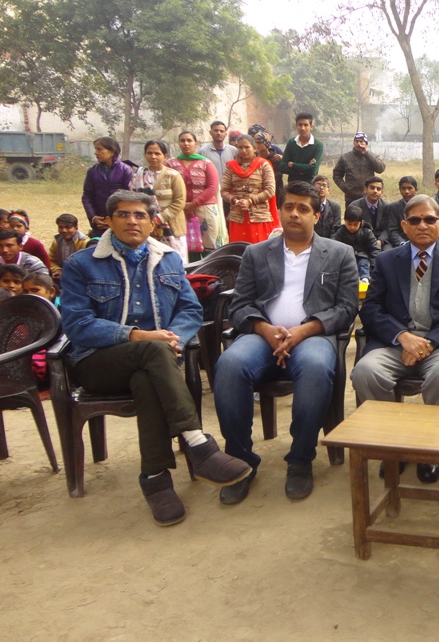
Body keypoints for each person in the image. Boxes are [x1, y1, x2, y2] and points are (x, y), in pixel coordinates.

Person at [60, 190, 252, 525]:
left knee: (146, 378)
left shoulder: (168, 259)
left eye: (140, 215)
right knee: (153, 351)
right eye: (123, 214)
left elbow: (190, 310)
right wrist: (137, 335)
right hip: (98, 361)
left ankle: (155, 479)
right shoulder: (82, 264)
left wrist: (173, 337)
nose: (132, 221)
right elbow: (78, 325)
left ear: (152, 222)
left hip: (155, 362)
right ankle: (198, 445)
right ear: (108, 221)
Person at [213, 181, 359, 504]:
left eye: (303, 208)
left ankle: (300, 459)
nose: (295, 213)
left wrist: (303, 331)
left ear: (316, 215)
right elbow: (240, 305)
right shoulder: (256, 253)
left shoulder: (339, 254)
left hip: (312, 337)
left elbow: (347, 308)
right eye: (289, 207)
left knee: (316, 367)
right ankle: (240, 460)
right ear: (280, 211)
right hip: (262, 337)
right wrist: (265, 329)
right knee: (230, 364)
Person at [351, 194, 439, 484]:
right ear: (404, 226)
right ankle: (394, 447)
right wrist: (402, 337)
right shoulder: (386, 260)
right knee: (365, 372)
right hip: (394, 343)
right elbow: (371, 309)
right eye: (415, 220)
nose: (422, 225)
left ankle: (429, 449)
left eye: (430, 219)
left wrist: (430, 342)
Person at [166, 130, 226, 255]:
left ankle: (211, 267)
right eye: (182, 141)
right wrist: (182, 205)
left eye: (189, 140)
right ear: (178, 143)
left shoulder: (206, 163)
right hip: (179, 210)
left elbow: (212, 187)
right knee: (183, 244)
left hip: (205, 210)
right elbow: (167, 186)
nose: (186, 143)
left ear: (196, 144)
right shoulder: (171, 164)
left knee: (209, 244)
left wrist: (193, 204)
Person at [130, 140, 188, 262]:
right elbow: (133, 198)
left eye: (157, 153)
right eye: (149, 153)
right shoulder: (138, 175)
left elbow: (179, 201)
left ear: (165, 156)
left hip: (171, 227)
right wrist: (148, 220)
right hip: (147, 227)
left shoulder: (173, 175)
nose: (153, 156)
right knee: (149, 261)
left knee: (174, 261)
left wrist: (158, 219)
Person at [221, 134, 278, 244]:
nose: (243, 150)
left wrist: (250, 201)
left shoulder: (263, 165)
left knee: (259, 250)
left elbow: (270, 190)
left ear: (254, 148)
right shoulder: (231, 167)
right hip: (237, 217)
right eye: (240, 147)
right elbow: (224, 191)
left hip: (259, 217)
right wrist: (235, 200)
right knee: (238, 250)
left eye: (247, 147)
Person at [81, 136, 134, 234]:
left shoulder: (125, 170)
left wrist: (115, 220)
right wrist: (93, 217)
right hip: (99, 223)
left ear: (112, 152)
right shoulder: (92, 171)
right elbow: (86, 196)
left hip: (120, 222)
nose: (95, 153)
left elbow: (131, 197)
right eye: (95, 149)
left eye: (99, 149)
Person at [332, 132, 387, 204]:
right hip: (351, 197)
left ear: (366, 144)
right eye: (356, 141)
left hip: (368, 196)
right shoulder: (345, 157)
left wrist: (366, 154)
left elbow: (380, 169)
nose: (359, 144)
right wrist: (346, 188)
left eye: (361, 141)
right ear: (354, 143)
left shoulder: (372, 156)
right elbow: (336, 175)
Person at [332, 204, 379, 282]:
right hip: (346, 257)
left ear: (361, 222)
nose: (352, 227)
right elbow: (334, 246)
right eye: (349, 224)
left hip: (362, 256)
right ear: (345, 221)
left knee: (363, 264)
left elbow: (374, 248)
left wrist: (373, 265)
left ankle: (364, 278)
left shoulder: (366, 231)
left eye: (355, 224)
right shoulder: (340, 231)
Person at [279, 113, 324, 185]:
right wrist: (304, 169)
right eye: (300, 125)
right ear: (296, 126)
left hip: (309, 185)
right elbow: (282, 167)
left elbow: (313, 171)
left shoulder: (317, 145)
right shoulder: (291, 143)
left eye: (306, 125)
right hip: (292, 185)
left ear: (311, 127)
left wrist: (293, 165)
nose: (302, 128)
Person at [379, 176, 419, 250]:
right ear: (400, 190)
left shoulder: (422, 206)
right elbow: (392, 229)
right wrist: (402, 243)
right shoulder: (394, 207)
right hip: (399, 243)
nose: (406, 191)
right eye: (403, 188)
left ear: (416, 190)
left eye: (410, 188)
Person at [48, 214, 89, 281]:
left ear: (76, 228)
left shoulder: (85, 243)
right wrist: (57, 270)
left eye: (68, 227)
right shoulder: (57, 241)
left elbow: (87, 265)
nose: (64, 230)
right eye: (60, 227)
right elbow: (51, 260)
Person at [350, 176, 387, 245]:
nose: (375, 191)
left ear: (382, 192)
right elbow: (352, 228)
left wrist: (380, 241)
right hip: (361, 240)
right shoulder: (355, 206)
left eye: (378, 189)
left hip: (382, 241)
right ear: (365, 189)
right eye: (372, 188)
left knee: (389, 251)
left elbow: (387, 228)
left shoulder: (386, 206)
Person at [312, 175, 343, 240]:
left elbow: (336, 230)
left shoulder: (335, 207)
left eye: (324, 185)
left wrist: (329, 244)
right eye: (318, 185)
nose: (321, 188)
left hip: (330, 242)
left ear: (328, 190)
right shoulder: (308, 206)